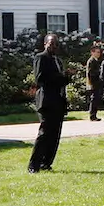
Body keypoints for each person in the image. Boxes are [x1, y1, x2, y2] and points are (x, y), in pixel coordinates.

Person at [29, 34, 70, 172]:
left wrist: (67, 77)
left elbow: (61, 81)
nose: (53, 47)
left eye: (56, 44)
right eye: (51, 44)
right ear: (45, 44)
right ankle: (33, 165)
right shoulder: (41, 57)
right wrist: (60, 78)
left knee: (55, 135)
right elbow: (40, 78)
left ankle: (46, 163)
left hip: (58, 101)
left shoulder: (58, 61)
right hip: (46, 100)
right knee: (44, 133)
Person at [85, 45, 104, 121]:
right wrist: (99, 72)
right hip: (94, 83)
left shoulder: (95, 61)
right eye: (97, 52)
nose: (99, 54)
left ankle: (94, 115)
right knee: (94, 99)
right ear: (92, 52)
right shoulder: (91, 61)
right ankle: (92, 115)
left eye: (99, 52)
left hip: (95, 83)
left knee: (96, 99)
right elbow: (91, 73)